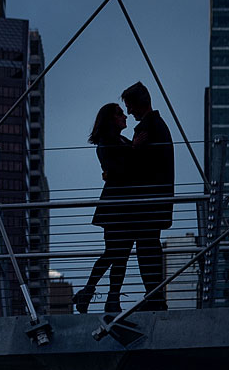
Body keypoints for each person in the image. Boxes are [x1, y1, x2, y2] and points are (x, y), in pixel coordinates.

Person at [71, 103, 143, 314]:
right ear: (111, 119)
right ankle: (93, 294)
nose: (125, 117)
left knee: (120, 255)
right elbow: (120, 169)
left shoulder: (120, 140)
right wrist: (134, 149)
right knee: (113, 253)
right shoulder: (107, 142)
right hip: (116, 207)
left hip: (125, 206)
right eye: (120, 114)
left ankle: (107, 298)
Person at [123, 81, 176, 310]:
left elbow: (139, 167)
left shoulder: (147, 127)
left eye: (129, 105)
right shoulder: (158, 124)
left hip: (147, 203)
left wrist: (132, 150)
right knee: (149, 246)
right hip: (156, 201)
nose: (128, 111)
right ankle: (154, 295)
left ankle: (154, 296)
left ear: (138, 103)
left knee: (146, 248)